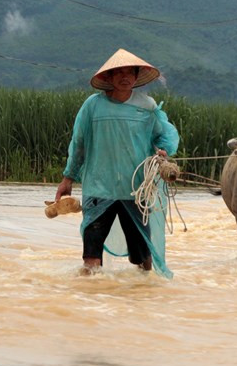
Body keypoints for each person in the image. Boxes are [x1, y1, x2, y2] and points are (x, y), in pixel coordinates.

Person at [55, 48, 180, 278]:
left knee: (143, 257)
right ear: (109, 78)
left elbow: (165, 135)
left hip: (135, 191)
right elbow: (79, 144)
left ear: (136, 77)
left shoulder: (147, 106)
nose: (124, 77)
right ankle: (91, 299)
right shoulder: (92, 106)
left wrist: (163, 152)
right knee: (91, 254)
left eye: (129, 73)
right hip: (99, 188)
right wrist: (67, 178)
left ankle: (143, 294)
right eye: (118, 73)